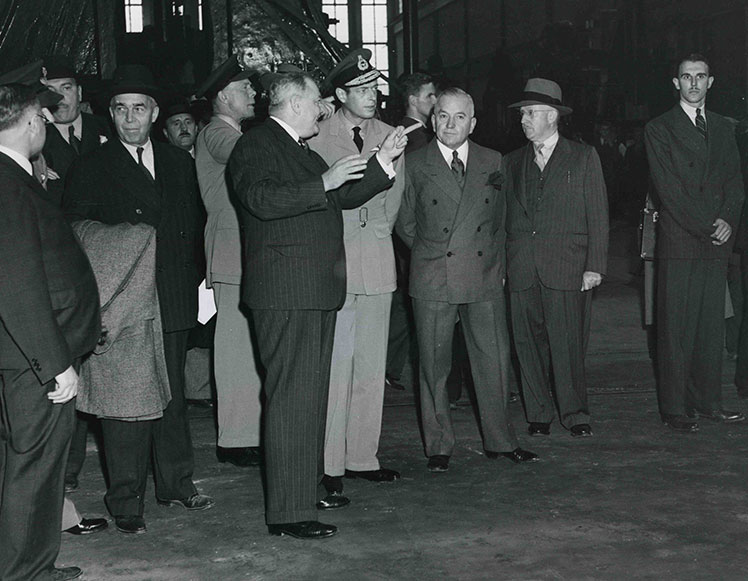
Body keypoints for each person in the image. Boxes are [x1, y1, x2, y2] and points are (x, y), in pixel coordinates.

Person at [228, 72, 406, 539]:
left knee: (306, 401)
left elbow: (338, 196)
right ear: (290, 104)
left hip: (309, 292)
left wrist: (382, 165)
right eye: (315, 102)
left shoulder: (299, 149)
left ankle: (300, 499)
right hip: (287, 294)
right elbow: (260, 199)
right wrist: (323, 181)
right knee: (292, 402)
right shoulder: (257, 144)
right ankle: (288, 514)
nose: (323, 109)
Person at [64, 65, 214, 535]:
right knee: (126, 403)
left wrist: (200, 279)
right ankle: (126, 500)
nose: (131, 119)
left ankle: (176, 481)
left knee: (171, 397)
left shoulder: (177, 162)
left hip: (170, 293)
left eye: (140, 109)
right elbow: (76, 234)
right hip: (125, 300)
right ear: (110, 114)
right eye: (121, 109)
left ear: (154, 114)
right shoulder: (91, 165)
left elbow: (194, 227)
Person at [396, 87, 536, 473]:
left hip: (484, 276)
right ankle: (438, 445)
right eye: (443, 115)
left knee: (493, 364)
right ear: (431, 119)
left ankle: (501, 441)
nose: (450, 124)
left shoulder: (494, 161)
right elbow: (405, 223)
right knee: (433, 367)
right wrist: (432, 253)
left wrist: (497, 266)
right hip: (433, 276)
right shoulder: (414, 162)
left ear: (473, 123)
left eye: (460, 117)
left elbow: (501, 221)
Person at [0, 83, 101, 581]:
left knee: (18, 465)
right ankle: (26, 572)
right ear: (31, 120)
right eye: (42, 112)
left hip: (19, 354)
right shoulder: (9, 181)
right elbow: (17, 282)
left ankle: (24, 564)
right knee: (35, 468)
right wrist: (54, 361)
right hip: (33, 358)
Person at [308, 48, 403, 506]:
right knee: (336, 368)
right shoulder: (316, 135)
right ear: (340, 93)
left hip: (377, 260)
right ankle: (329, 464)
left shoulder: (391, 135)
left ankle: (363, 456)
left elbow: (394, 202)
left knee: (370, 367)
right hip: (336, 260)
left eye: (374, 88)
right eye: (361, 89)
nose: (371, 96)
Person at [645, 54, 745, 431]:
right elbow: (668, 191)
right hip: (682, 237)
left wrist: (728, 221)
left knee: (709, 326)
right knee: (676, 326)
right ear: (676, 84)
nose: (693, 83)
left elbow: (735, 182)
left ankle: (709, 402)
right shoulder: (659, 128)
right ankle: (674, 408)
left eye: (700, 76)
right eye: (686, 77)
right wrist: (709, 224)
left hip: (716, 238)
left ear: (711, 81)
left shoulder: (723, 127)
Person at [504, 78, 609, 438]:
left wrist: (594, 265)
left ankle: (575, 413)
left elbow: (598, 214)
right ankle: (538, 412)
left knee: (567, 344)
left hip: (567, 266)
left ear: (552, 116)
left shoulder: (582, 156)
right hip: (521, 268)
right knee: (526, 344)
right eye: (522, 113)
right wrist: (504, 266)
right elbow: (504, 219)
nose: (523, 119)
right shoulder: (511, 162)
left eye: (530, 113)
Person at [194, 55, 263, 468]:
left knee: (248, 347)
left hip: (244, 252)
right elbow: (247, 152)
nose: (253, 94)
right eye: (245, 89)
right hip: (231, 252)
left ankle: (247, 432)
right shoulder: (216, 133)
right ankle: (234, 439)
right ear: (223, 96)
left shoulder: (232, 131)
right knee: (236, 349)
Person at [385, 73, 437, 393]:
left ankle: (390, 365)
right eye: (430, 96)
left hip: (405, 234)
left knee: (404, 303)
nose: (435, 102)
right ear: (413, 101)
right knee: (411, 302)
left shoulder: (405, 133)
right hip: (415, 234)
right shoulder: (416, 138)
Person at [41, 55, 111, 206]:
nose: (59, 98)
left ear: (79, 92)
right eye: (50, 90)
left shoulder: (108, 127)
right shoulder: (34, 137)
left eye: (66, 88)